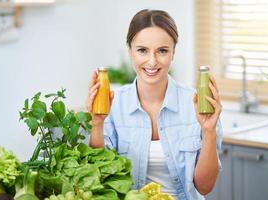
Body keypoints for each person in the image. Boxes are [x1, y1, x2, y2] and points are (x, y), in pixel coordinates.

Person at [87, 9, 223, 200]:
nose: (152, 61)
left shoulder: (197, 105)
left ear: (173, 53)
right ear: (130, 52)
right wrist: (97, 123)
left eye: (162, 51)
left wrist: (209, 130)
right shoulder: (113, 105)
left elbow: (205, 187)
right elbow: (100, 179)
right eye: (142, 50)